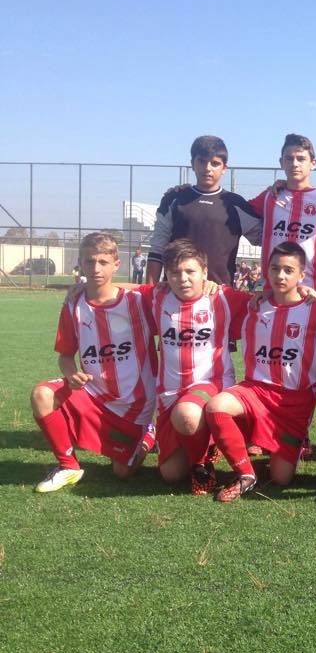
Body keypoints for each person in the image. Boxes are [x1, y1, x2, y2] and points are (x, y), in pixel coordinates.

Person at [31, 232, 157, 492]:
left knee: (122, 472)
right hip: (93, 396)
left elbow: (169, 290)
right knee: (42, 394)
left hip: (134, 408)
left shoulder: (138, 300)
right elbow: (66, 356)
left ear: (116, 264)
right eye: (89, 261)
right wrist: (71, 374)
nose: (96, 268)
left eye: (103, 262)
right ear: (80, 263)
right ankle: (68, 465)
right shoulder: (73, 305)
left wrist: (210, 284)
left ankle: (148, 433)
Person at [204, 242, 316, 502]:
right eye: (275, 269)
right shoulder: (252, 304)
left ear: (301, 275)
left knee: (281, 478)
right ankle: (246, 474)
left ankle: (268, 448)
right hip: (256, 390)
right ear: (266, 271)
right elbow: (210, 290)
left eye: (288, 270)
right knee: (216, 407)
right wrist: (209, 283)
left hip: (294, 403)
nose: (280, 275)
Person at [148, 240, 250, 493]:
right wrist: (83, 288)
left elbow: (267, 299)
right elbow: (118, 292)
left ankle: (201, 464)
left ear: (204, 272)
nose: (183, 279)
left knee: (186, 415)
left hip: (211, 383)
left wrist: (303, 291)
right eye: (175, 272)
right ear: (166, 275)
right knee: (171, 475)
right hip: (170, 393)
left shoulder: (223, 297)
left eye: (190, 271)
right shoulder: (157, 296)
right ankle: (205, 443)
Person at [146, 135, 262, 286]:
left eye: (215, 163)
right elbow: (157, 249)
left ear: (224, 168)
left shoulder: (236, 204)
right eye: (201, 161)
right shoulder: (174, 199)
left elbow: (268, 239)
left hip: (219, 294)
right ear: (192, 164)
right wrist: (149, 291)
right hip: (177, 291)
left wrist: (283, 189)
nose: (207, 168)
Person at [248, 133, 316, 298]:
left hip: (313, 294)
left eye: (301, 159)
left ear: (313, 163)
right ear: (281, 162)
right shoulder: (269, 197)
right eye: (289, 159)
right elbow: (234, 212)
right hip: (272, 292)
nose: (294, 164)